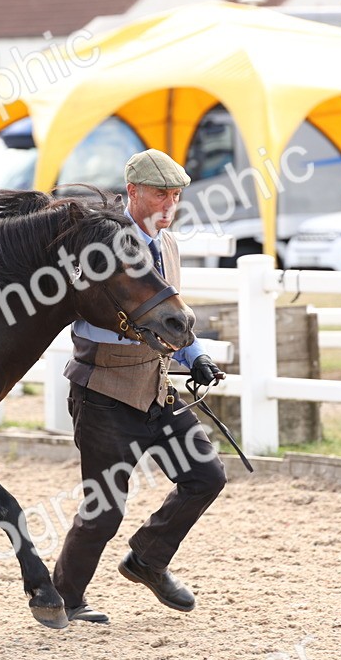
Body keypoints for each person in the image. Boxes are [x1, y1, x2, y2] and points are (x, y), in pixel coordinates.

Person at [53, 149, 227, 625]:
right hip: (105, 389)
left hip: (157, 387)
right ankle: (64, 597)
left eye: (175, 195)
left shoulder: (167, 245)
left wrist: (196, 356)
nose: (169, 204)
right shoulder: (103, 245)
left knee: (205, 477)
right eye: (159, 194)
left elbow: (170, 320)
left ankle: (147, 559)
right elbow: (93, 315)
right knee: (105, 506)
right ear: (132, 192)